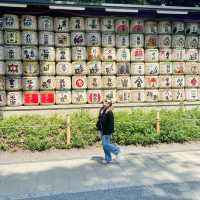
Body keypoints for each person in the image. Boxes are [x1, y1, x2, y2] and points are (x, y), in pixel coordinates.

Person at [96, 99, 121, 164]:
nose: (104, 103)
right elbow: (100, 121)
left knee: (105, 144)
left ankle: (117, 151)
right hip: (102, 130)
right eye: (104, 102)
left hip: (107, 131)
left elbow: (111, 124)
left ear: (109, 104)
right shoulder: (101, 110)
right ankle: (108, 159)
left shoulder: (109, 112)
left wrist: (110, 132)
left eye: (106, 102)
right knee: (104, 146)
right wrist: (98, 129)